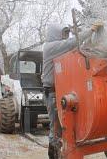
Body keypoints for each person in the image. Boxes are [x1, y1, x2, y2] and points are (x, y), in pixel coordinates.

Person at [42, 22, 103, 159]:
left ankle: (64, 150)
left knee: (64, 125)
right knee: (55, 126)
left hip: (59, 90)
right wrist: (90, 30)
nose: (65, 37)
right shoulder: (50, 47)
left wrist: (90, 39)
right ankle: (54, 154)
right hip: (51, 91)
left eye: (66, 34)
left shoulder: (57, 48)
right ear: (55, 34)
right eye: (63, 34)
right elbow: (71, 43)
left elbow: (77, 47)